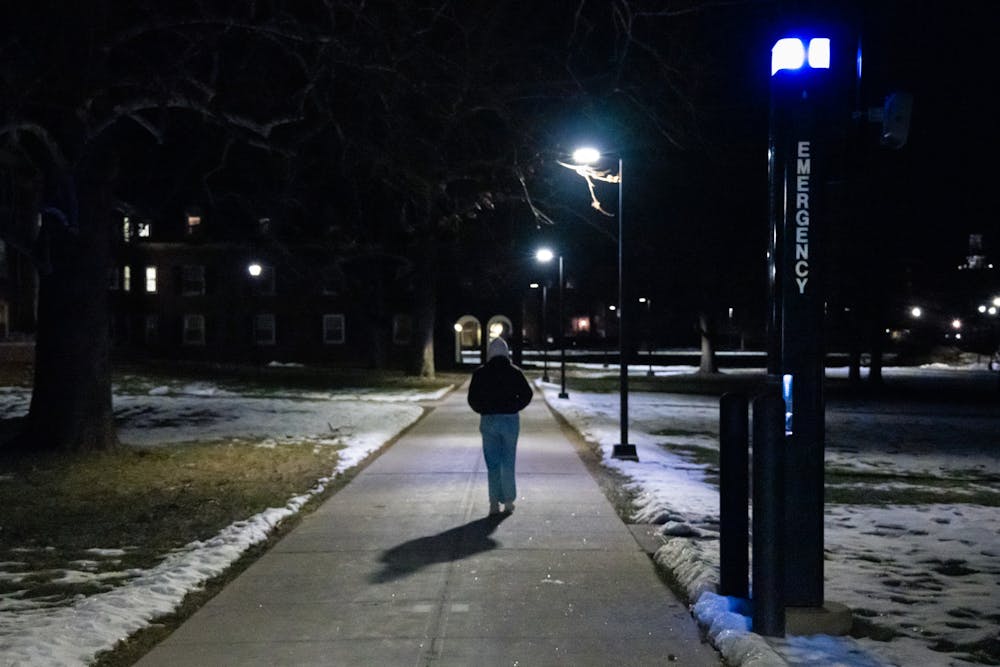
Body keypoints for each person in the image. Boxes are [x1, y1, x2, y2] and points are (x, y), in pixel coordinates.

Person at [467, 337, 533, 515]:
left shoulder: (480, 373)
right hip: (510, 420)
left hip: (489, 421)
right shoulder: (515, 372)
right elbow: (527, 394)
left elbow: (472, 399)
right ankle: (509, 500)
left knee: (493, 463)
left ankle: (494, 502)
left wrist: (483, 409)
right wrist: (514, 406)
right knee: (508, 461)